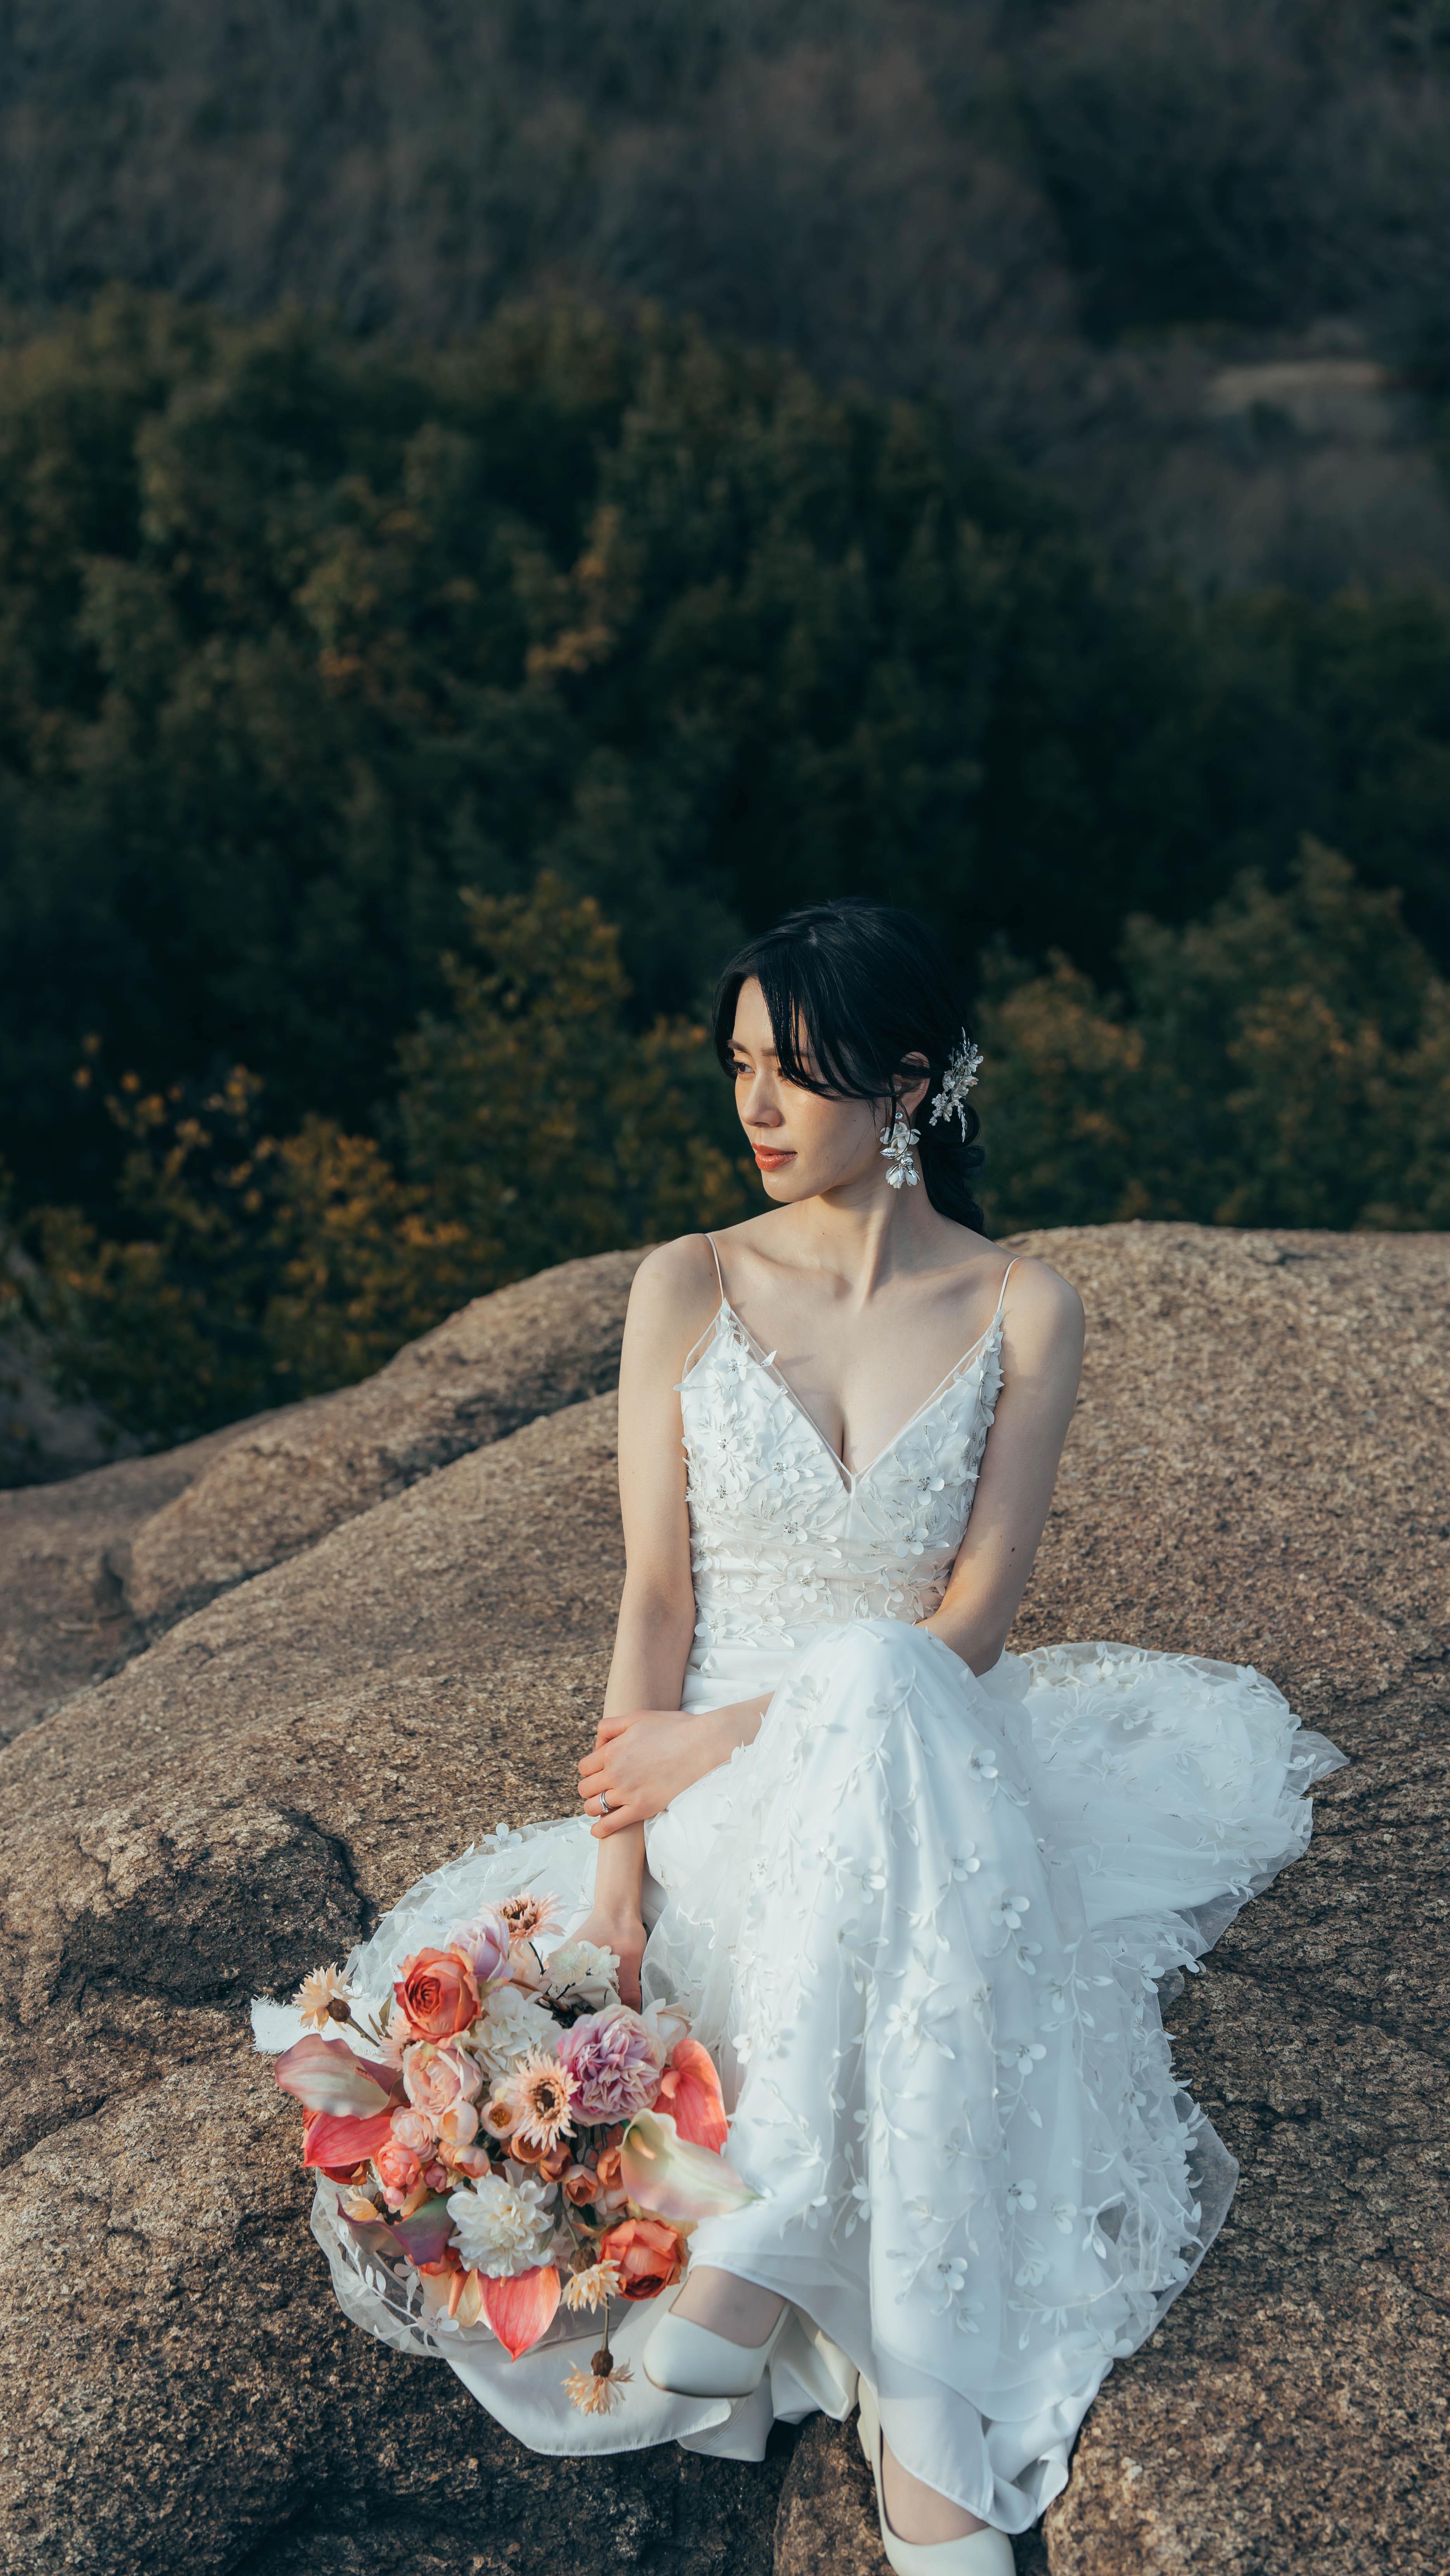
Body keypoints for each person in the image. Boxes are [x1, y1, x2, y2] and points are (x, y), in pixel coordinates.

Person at [298, 898, 1344, 2571]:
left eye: (796, 1071)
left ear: (909, 1085)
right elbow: (652, 1596)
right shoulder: (684, 1284)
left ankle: (777, 2254)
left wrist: (717, 1737)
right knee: (873, 1763)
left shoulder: (1025, 1307)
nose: (756, 1110)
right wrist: (620, 1876)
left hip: (910, 1746)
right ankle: (922, 2420)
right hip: (713, 1798)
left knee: (876, 1672)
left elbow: (968, 1633)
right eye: (739, 1068)